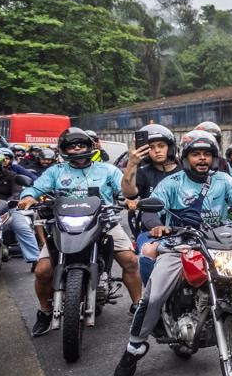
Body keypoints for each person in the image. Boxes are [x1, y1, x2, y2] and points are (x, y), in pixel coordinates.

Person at [114, 131, 232, 376]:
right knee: (154, 295)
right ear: (185, 157)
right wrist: (157, 225)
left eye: (207, 154)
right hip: (180, 244)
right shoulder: (172, 183)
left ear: (213, 158)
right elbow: (150, 208)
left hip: (219, 245)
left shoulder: (223, 180)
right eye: (196, 154)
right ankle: (133, 348)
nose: (202, 159)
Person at [17, 128, 142, 337]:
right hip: (63, 226)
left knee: (130, 260)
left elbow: (125, 190)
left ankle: (139, 306)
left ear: (89, 147)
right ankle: (45, 311)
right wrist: (28, 197)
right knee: (42, 271)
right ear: (64, 150)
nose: (76, 148)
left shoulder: (107, 170)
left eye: (80, 145)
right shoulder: (56, 171)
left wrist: (130, 199)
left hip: (105, 223)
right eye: (71, 146)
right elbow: (35, 188)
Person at [120, 123, 179, 285]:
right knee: (146, 255)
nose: (157, 150)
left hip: (186, 229)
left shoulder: (184, 172)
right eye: (151, 147)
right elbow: (129, 193)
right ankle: (153, 296)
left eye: (161, 146)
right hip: (152, 231)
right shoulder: (144, 172)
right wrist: (132, 164)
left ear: (170, 148)